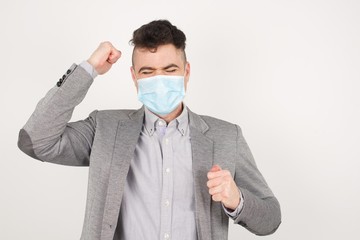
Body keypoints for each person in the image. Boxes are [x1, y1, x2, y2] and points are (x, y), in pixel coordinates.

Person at [18, 20, 281, 240]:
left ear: (186, 72)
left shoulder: (225, 136)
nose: (160, 80)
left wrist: (236, 199)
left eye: (169, 70)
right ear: (134, 77)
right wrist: (88, 70)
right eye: (148, 71)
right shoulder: (105, 129)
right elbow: (36, 140)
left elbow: (270, 218)